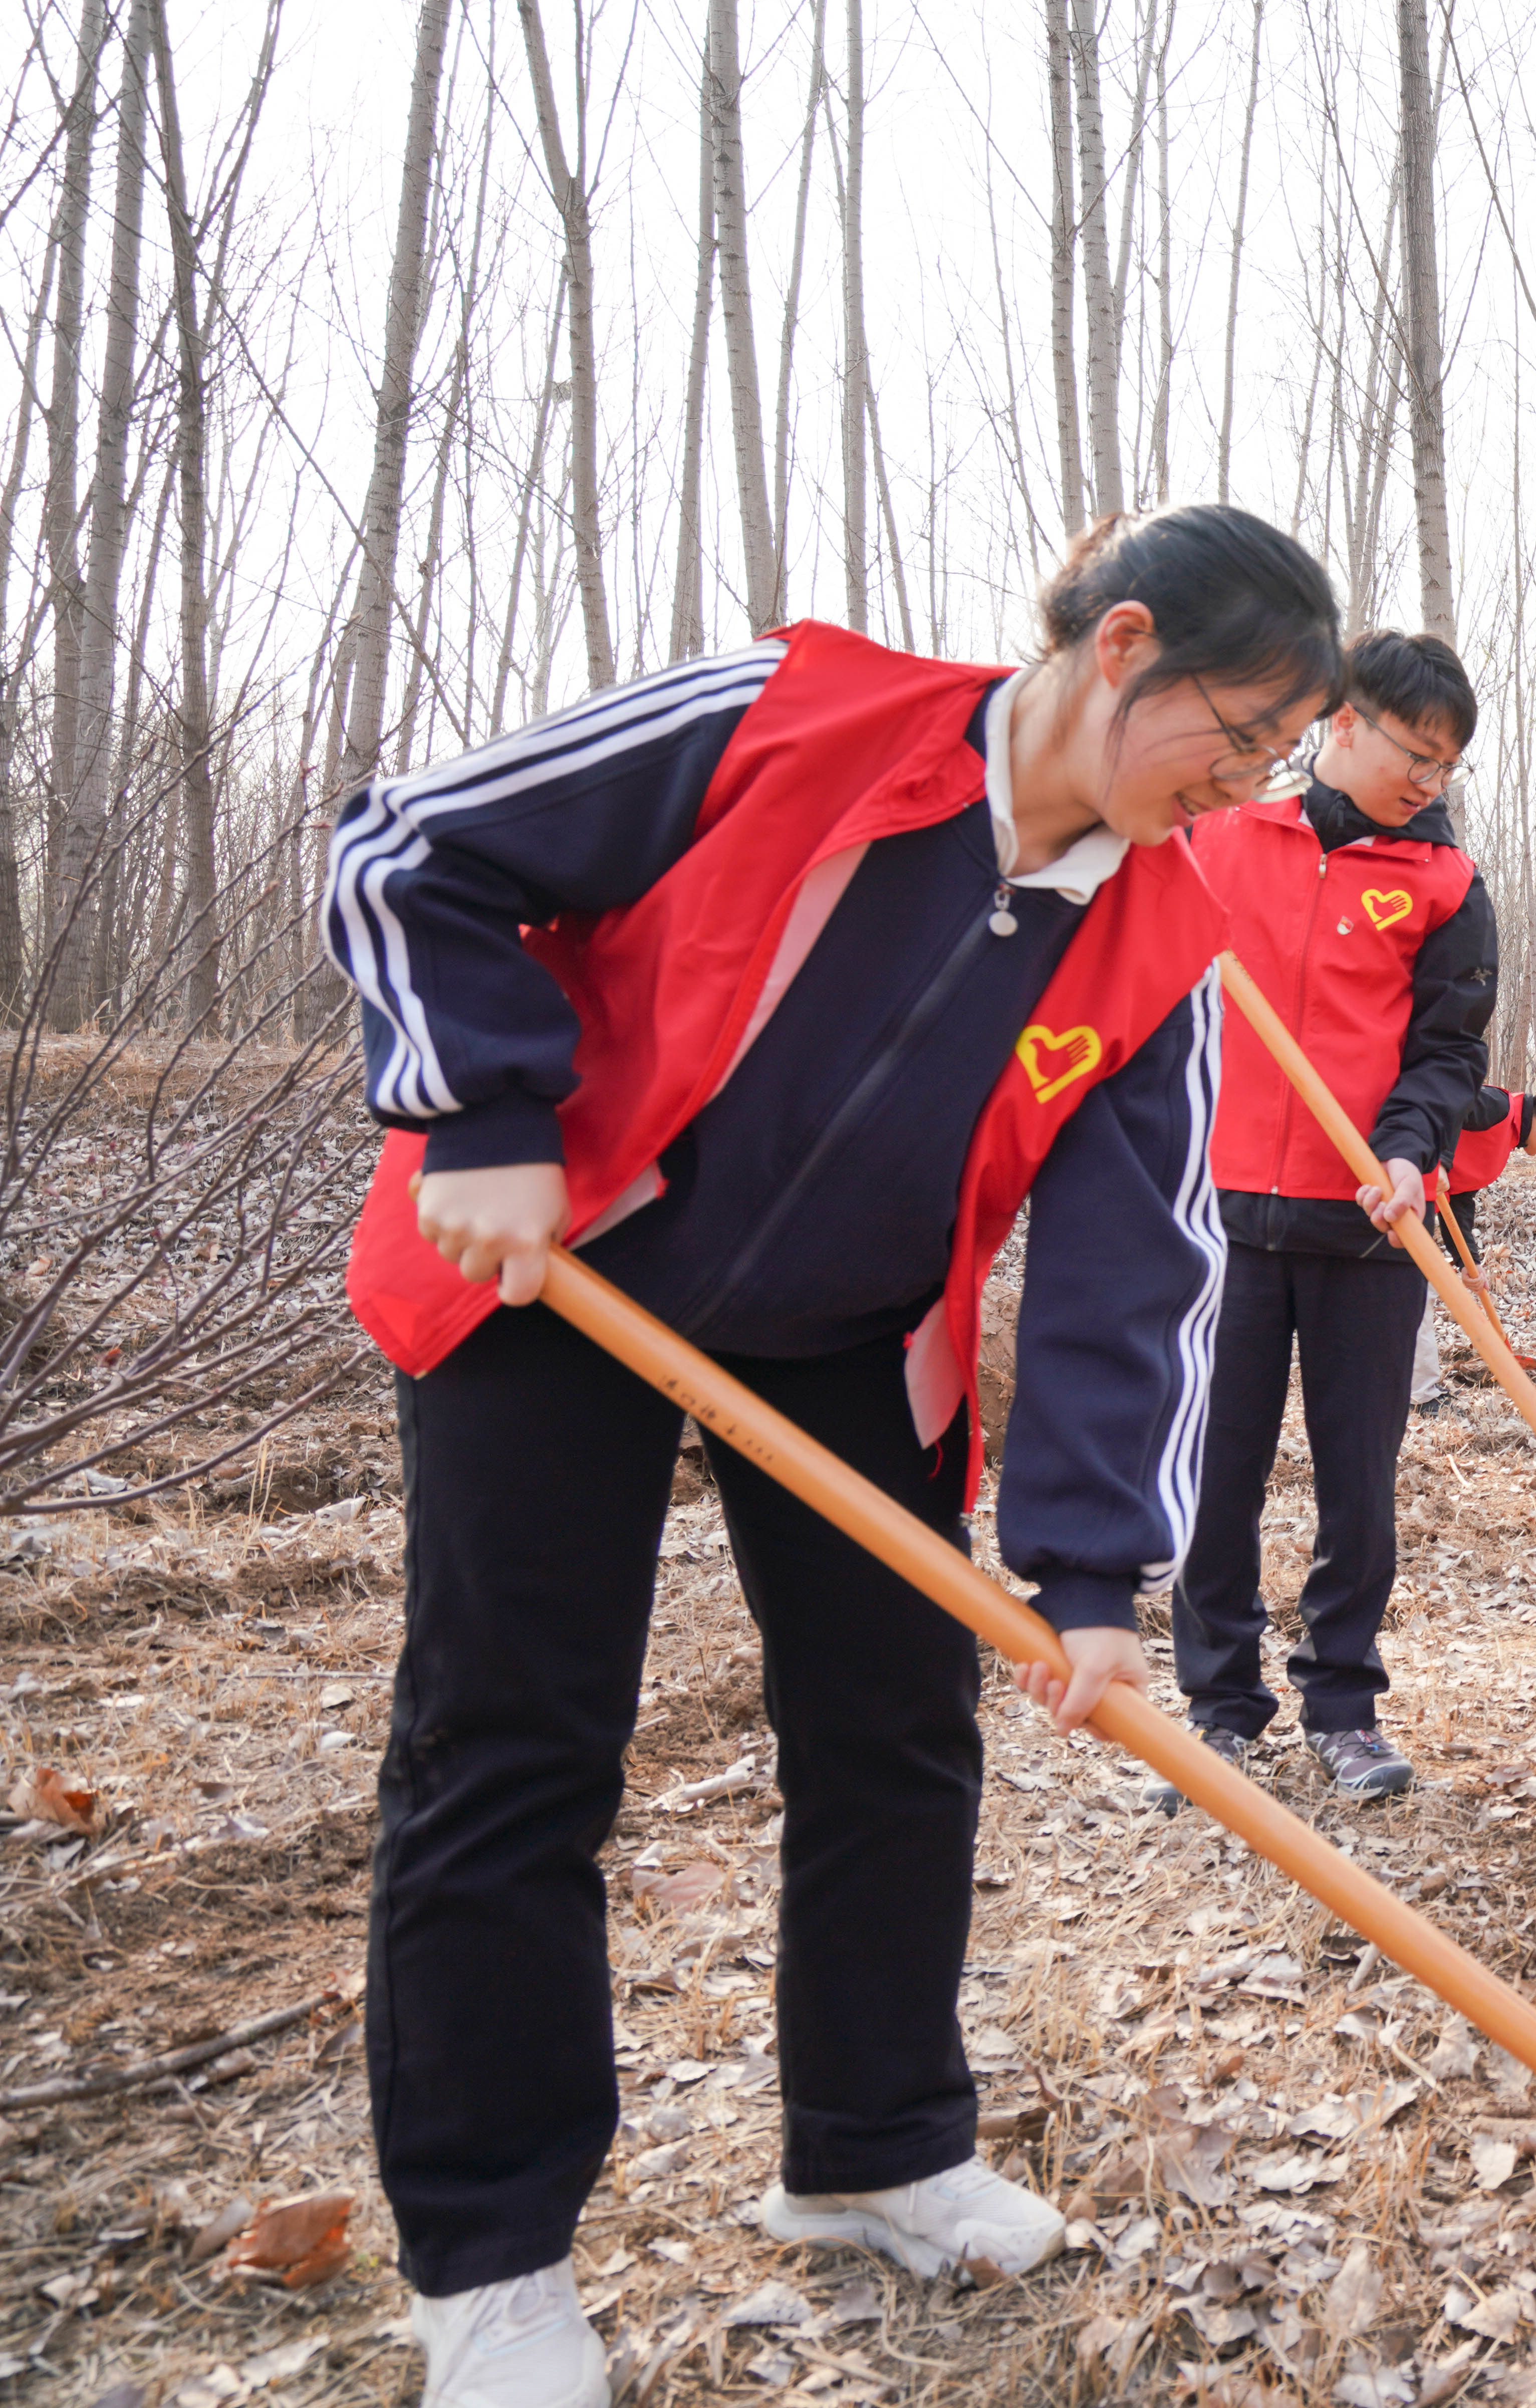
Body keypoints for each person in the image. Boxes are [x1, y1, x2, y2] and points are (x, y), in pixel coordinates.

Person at [330, 505, 1342, 2408]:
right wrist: (479, 1105)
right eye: (1244, 730)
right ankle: (489, 2258)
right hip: (562, 1255)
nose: (1248, 780)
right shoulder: (794, 721)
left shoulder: (1160, 927)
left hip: (851, 1332)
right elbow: (418, 846)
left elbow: (1140, 1256)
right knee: (518, 1739)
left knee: (895, 1725)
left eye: (1280, 756)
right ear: (1120, 647)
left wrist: (1090, 1576)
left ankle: (872, 2146)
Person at [1166, 631, 1492, 1810]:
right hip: (1225, 1220)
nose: (1428, 779)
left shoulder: (1446, 885)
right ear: (1342, 722)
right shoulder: (1219, 833)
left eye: (1446, 764)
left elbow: (1449, 1052)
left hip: (1369, 1226)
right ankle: (1218, 1705)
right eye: (1416, 750)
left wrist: (1410, 1152)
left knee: (1359, 1477)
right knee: (1221, 1472)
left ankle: (1342, 1704)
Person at [1409, 1083, 1536, 1401]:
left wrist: (1468, 1262)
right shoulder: (1498, 1107)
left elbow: (1460, 1198)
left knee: (1412, 1289)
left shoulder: (1505, 1141)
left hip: (1415, 1204)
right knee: (1416, 1289)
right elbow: (1445, 1102)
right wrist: (1441, 1160)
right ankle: (1423, 1395)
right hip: (1392, 1188)